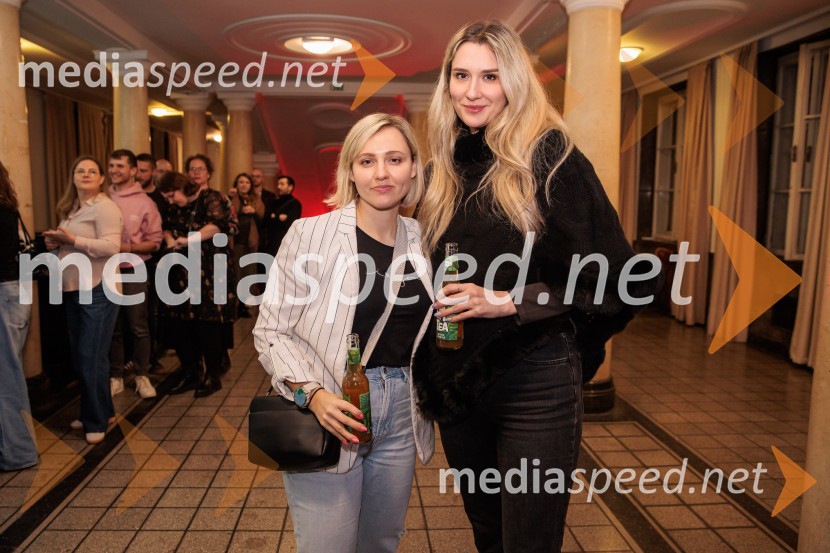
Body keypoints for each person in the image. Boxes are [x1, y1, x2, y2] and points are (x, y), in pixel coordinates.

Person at [413, 20, 662, 552]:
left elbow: (615, 275)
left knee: (528, 540)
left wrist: (504, 300)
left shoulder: (550, 159)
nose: (472, 91)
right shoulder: (443, 170)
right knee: (487, 534)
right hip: (460, 382)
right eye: (461, 75)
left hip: (536, 383)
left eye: (490, 76)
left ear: (515, 83)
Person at [253, 114, 434, 553]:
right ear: (350, 170)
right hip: (331, 406)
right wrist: (312, 395)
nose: (382, 173)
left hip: (402, 414)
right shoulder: (310, 234)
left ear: (413, 168)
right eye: (367, 161)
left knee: (381, 543)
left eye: (394, 159)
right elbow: (272, 329)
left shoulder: (427, 239)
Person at [44, 156, 122, 445]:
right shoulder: (73, 208)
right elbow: (72, 242)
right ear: (72, 176)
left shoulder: (106, 207)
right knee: (87, 356)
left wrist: (72, 240)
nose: (86, 174)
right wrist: (57, 242)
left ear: (102, 178)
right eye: (80, 170)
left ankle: (95, 420)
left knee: (90, 356)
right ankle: (103, 410)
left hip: (98, 287)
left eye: (92, 171)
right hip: (74, 287)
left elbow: (112, 247)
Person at [158, 154, 237, 398]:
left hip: (210, 269)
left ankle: (212, 374)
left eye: (173, 195)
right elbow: (168, 227)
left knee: (207, 322)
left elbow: (217, 225)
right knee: (182, 322)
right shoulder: (176, 206)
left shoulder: (210, 197)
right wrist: (172, 240)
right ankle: (190, 371)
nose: (172, 201)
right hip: (181, 269)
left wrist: (188, 239)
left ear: (181, 186)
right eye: (168, 198)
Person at [107, 149, 163, 399]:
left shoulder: (145, 203)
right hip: (106, 270)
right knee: (113, 326)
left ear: (132, 171)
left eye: (120, 166)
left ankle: (142, 375)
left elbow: (155, 242)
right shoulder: (101, 198)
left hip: (134, 269)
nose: (114, 170)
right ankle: (116, 376)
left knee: (138, 325)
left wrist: (127, 248)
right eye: (111, 165)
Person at [0, 160, 39, 471]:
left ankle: (18, 452)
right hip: (17, 291)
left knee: (6, 377)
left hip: (6, 293)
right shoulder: (7, 208)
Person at [228, 172, 263, 318]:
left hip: (250, 243)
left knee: (248, 274)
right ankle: (234, 305)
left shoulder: (256, 199)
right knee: (236, 273)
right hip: (236, 242)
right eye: (241, 182)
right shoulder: (230, 199)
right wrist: (232, 198)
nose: (244, 185)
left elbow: (262, 218)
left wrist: (253, 212)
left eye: (247, 182)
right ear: (236, 184)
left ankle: (244, 305)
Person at [263, 174, 302, 256]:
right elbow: (266, 221)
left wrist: (274, 217)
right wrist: (279, 218)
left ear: (290, 187)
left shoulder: (295, 204)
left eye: (282, 184)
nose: (278, 187)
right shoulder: (273, 202)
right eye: (278, 184)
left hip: (286, 243)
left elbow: (291, 222)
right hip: (271, 243)